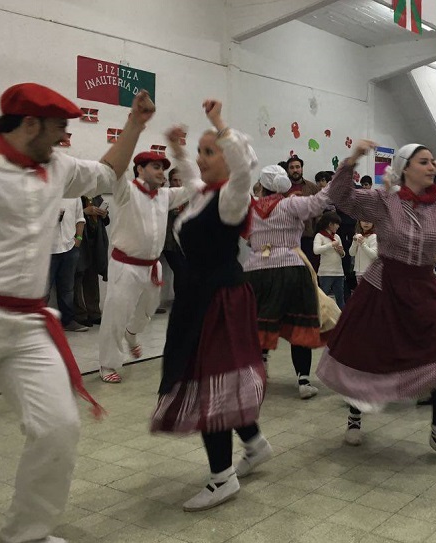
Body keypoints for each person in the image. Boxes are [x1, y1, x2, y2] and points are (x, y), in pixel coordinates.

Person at [0, 83, 153, 543]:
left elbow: (110, 173)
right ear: (29, 123)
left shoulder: (56, 168)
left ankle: (26, 534)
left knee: (58, 427)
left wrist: (135, 123)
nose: (63, 138)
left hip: (30, 324)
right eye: (58, 128)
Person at [316, 141, 436, 466]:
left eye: (432, 161)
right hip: (382, 285)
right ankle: (355, 416)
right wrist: (353, 159)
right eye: (423, 161)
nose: (432, 166)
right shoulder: (383, 201)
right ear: (404, 168)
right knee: (366, 352)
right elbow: (341, 195)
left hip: (422, 288)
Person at [150, 101, 272, 512]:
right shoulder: (205, 195)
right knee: (218, 378)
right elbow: (190, 176)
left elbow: (241, 169)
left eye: (209, 151)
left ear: (228, 155)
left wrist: (222, 125)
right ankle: (254, 443)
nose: (200, 159)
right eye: (202, 151)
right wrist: (178, 150)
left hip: (219, 300)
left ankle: (222, 478)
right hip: (202, 299)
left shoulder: (232, 198)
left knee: (212, 384)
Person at [97, 149, 200, 383]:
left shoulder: (165, 196)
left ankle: (131, 334)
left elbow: (195, 186)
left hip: (152, 266)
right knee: (116, 315)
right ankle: (108, 365)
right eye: (155, 166)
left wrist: (181, 153)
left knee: (147, 311)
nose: (161, 172)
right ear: (140, 169)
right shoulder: (126, 190)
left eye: (162, 167)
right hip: (125, 265)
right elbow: (116, 168)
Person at [243, 164, 332, 399]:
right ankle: (303, 380)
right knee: (299, 324)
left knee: (259, 323)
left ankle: (257, 373)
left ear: (261, 185)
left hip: (255, 270)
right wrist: (341, 176)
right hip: (290, 267)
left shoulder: (249, 207)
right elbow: (320, 202)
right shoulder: (291, 204)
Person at [49, 198, 87, 332]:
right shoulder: (47, 191)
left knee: (67, 288)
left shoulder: (74, 195)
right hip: (48, 248)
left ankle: (68, 320)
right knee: (43, 289)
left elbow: (80, 219)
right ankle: (39, 325)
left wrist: (79, 239)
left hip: (69, 246)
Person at [74, 195, 109, 327]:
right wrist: (85, 212)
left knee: (92, 278)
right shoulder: (75, 195)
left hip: (96, 242)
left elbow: (106, 221)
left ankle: (94, 312)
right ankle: (79, 314)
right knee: (77, 277)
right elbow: (70, 216)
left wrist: (104, 214)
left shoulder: (96, 196)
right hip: (80, 240)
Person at [284, 155, 320, 267]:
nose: (295, 170)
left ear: (302, 168)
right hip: (287, 237)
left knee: (309, 269)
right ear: (287, 170)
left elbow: (319, 212)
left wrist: (318, 234)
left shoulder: (312, 187)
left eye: (297, 167)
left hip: (308, 236)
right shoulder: (282, 187)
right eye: (292, 167)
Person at [162, 167, 190, 305]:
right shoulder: (165, 196)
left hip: (185, 242)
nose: (178, 183)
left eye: (180, 180)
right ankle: (181, 301)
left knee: (185, 272)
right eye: (175, 180)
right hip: (169, 242)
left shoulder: (188, 197)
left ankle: (184, 300)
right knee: (180, 271)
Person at [314, 211, 346, 309]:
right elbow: (316, 250)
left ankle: (342, 321)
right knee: (323, 299)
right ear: (330, 224)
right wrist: (330, 245)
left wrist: (341, 252)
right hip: (325, 273)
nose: (338, 227)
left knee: (340, 299)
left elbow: (343, 254)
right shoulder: (319, 236)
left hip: (338, 273)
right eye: (336, 224)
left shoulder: (337, 237)